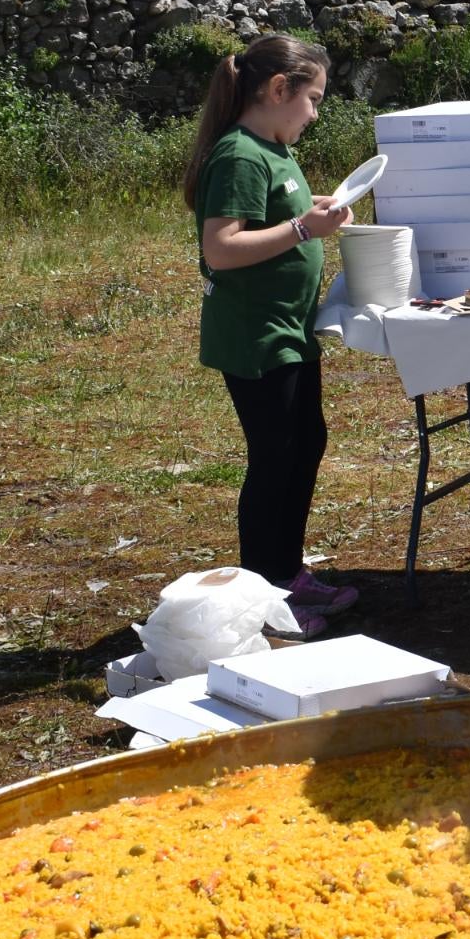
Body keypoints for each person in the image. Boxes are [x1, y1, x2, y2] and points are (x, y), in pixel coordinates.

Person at [181, 35, 359, 636]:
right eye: (311, 99)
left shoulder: (274, 149)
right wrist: (304, 230)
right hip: (256, 337)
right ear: (278, 90)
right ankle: (264, 593)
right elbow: (221, 247)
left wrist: (320, 208)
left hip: (290, 329)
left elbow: (281, 216)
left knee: (304, 443)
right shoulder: (239, 155)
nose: (314, 113)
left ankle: (287, 570)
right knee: (274, 458)